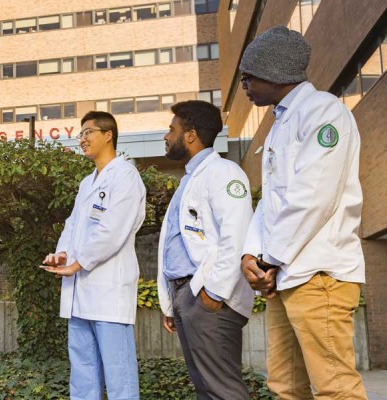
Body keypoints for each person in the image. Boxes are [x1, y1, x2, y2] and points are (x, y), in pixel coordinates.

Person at [238, 26, 367, 399]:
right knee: (286, 386)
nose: (244, 86)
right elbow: (271, 201)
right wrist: (251, 254)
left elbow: (314, 196)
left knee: (335, 387)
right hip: (286, 274)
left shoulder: (323, 112)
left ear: (275, 72)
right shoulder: (280, 124)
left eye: (249, 76)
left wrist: (269, 259)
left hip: (318, 273)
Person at [41, 111, 145, 400]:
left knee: (119, 375)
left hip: (108, 292)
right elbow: (73, 224)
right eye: (81, 134)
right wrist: (62, 255)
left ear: (108, 135)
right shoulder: (87, 182)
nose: (82, 139)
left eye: (88, 132)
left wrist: (78, 263)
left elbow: (113, 230)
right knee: (83, 374)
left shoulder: (125, 175)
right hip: (80, 294)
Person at [156, 100, 254, 400]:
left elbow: (237, 234)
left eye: (172, 129)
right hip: (187, 296)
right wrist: (172, 302)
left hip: (208, 297)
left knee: (223, 390)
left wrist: (214, 293)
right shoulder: (189, 179)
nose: (166, 136)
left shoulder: (224, 172)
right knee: (206, 389)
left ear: (190, 135)